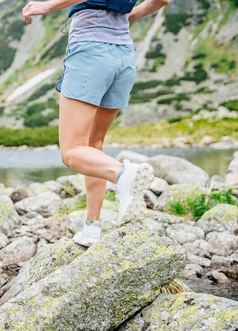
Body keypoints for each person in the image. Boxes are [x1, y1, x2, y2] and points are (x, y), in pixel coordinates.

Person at [21, 0, 169, 246]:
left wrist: (48, 6)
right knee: (93, 145)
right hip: (124, 55)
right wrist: (124, 16)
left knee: (71, 152)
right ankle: (92, 226)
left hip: (91, 52)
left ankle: (124, 174)